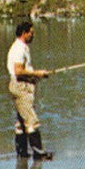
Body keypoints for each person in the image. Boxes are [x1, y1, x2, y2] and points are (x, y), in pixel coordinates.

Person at [7, 18, 54, 160]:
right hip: (21, 87)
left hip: (21, 85)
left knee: (21, 122)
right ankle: (38, 153)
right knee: (31, 120)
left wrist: (35, 76)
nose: (33, 35)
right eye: (31, 33)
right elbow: (18, 71)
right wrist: (37, 73)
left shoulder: (20, 47)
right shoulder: (19, 48)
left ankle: (22, 154)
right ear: (24, 33)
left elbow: (22, 70)